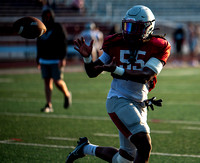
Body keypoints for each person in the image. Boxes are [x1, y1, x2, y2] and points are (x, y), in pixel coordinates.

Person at [66, 5, 171, 163]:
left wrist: (117, 69)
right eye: (128, 26)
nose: (130, 31)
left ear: (149, 28)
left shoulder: (158, 46)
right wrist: (88, 59)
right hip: (119, 99)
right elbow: (92, 72)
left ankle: (85, 148)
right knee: (144, 145)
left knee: (125, 159)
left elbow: (146, 76)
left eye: (136, 28)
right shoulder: (116, 43)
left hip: (139, 102)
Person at [36, 9, 72, 113]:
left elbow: (63, 43)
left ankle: (67, 94)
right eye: (45, 16)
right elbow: (38, 44)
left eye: (48, 16)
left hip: (56, 60)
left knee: (57, 81)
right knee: (47, 82)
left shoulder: (57, 27)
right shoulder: (40, 27)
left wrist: (63, 58)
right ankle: (49, 104)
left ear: (52, 16)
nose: (46, 18)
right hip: (44, 59)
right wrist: (38, 58)